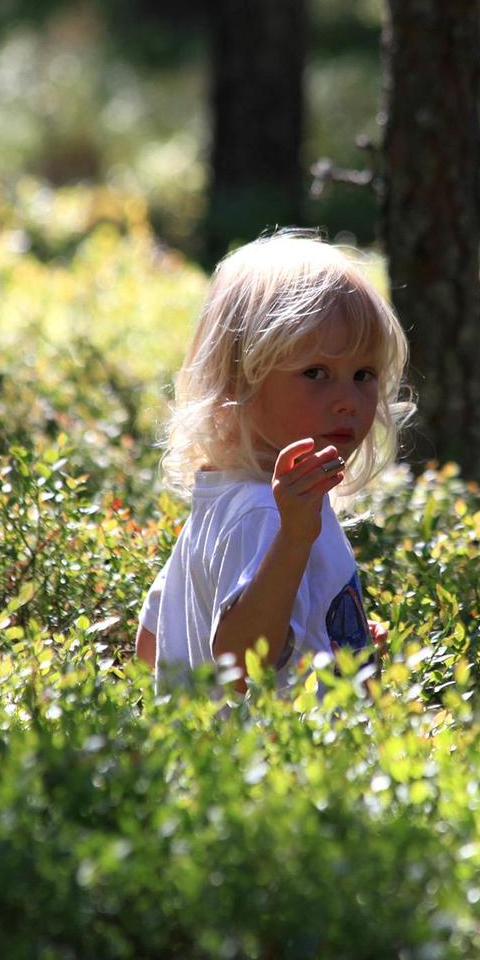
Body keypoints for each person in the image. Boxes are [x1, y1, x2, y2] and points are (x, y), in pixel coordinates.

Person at [134, 229, 413, 696]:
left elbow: (151, 642)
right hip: (274, 765)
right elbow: (239, 665)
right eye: (316, 373)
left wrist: (328, 642)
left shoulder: (226, 503)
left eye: (363, 375)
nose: (348, 400)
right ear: (237, 381)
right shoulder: (269, 514)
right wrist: (293, 538)